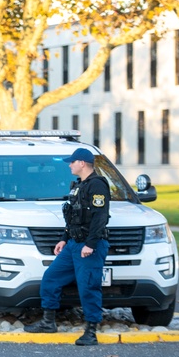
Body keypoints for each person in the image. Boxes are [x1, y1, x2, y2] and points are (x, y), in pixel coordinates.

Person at [25, 147, 111, 345]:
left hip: (89, 247)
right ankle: (48, 323)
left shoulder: (97, 185)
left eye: (72, 162)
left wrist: (90, 244)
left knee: (88, 286)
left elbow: (100, 216)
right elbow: (73, 217)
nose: (70, 165)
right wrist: (64, 238)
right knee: (51, 278)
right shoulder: (80, 185)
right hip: (73, 244)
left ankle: (91, 332)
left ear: (82, 163)